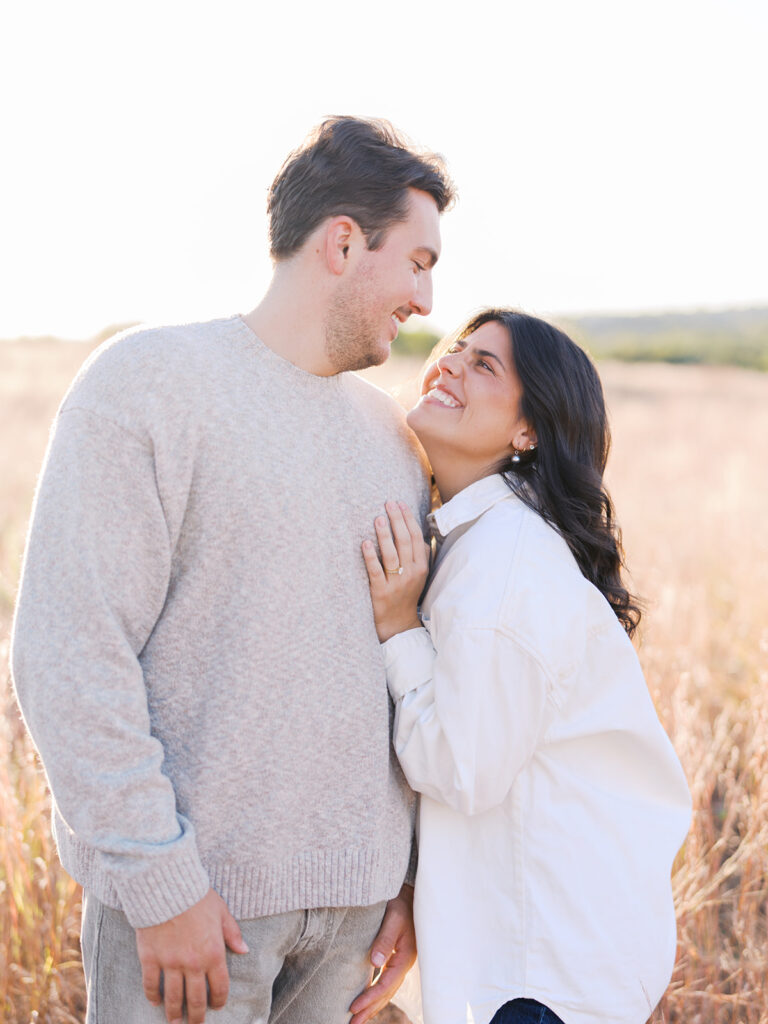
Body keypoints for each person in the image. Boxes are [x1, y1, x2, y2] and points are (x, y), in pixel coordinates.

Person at [10, 116, 454, 1024]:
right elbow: (70, 651)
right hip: (195, 919)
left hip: (352, 932)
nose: (426, 297)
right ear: (342, 243)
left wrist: (410, 881)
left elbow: (411, 676)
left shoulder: (392, 438)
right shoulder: (148, 383)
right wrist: (159, 884)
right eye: (416, 262)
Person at [361, 309, 692, 1024]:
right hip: (543, 970)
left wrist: (397, 627)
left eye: (484, 364)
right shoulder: (487, 543)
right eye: (457, 349)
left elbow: (463, 769)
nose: (449, 364)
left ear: (528, 432)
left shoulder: (507, 563)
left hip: (543, 981)